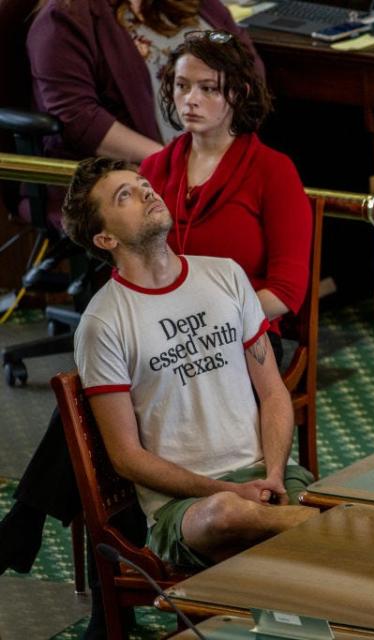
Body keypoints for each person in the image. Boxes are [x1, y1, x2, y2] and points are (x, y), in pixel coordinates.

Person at [60, 156, 316, 568]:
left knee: (254, 520)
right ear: (105, 238)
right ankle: (318, 528)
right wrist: (221, 489)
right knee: (224, 515)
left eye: (143, 184)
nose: (147, 192)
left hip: (270, 478)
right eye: (125, 196)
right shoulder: (102, 323)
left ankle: (292, 528)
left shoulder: (226, 276)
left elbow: (273, 392)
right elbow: (126, 456)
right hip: (187, 507)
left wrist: (272, 472)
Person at [140, 31, 312, 352]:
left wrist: (202, 327)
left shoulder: (273, 171)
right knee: (86, 393)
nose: (190, 99)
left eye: (208, 89)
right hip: (160, 331)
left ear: (239, 93)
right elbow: (129, 264)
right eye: (182, 86)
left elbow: (287, 291)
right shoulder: (152, 169)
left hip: (244, 332)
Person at [28, 0, 260, 163]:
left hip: (219, 160)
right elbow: (79, 119)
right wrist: (173, 162)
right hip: (129, 179)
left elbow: (249, 68)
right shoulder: (65, 16)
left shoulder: (201, 5)